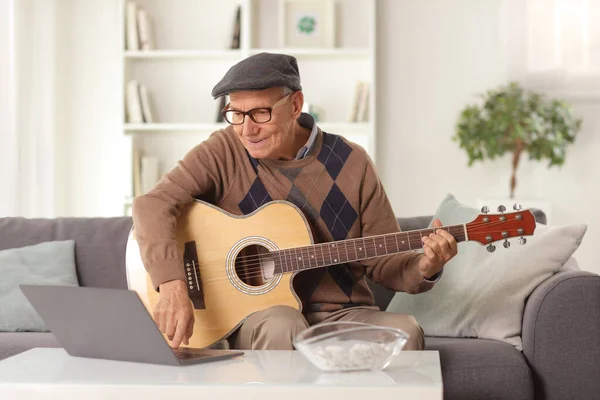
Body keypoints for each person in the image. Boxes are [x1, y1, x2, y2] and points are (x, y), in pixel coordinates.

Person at [132, 52, 458, 351]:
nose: (247, 129)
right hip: (259, 317)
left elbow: (386, 264)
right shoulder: (224, 150)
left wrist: (425, 266)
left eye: (260, 113)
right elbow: (152, 205)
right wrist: (172, 284)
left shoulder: (352, 163)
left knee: (407, 332)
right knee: (284, 323)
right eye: (235, 113)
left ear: (295, 104)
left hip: (340, 317)